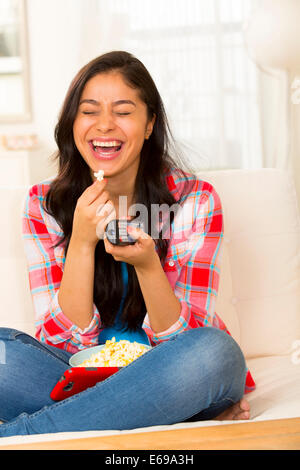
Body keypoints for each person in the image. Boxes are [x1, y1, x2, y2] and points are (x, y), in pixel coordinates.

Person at [0, 51, 255, 437]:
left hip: (174, 371)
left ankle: (20, 438)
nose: (104, 125)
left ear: (150, 123)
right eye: (89, 111)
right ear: (72, 123)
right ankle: (157, 413)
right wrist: (82, 244)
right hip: (76, 373)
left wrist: (149, 267)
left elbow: (188, 338)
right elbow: (60, 340)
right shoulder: (43, 204)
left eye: (123, 111)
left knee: (215, 353)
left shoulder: (194, 199)